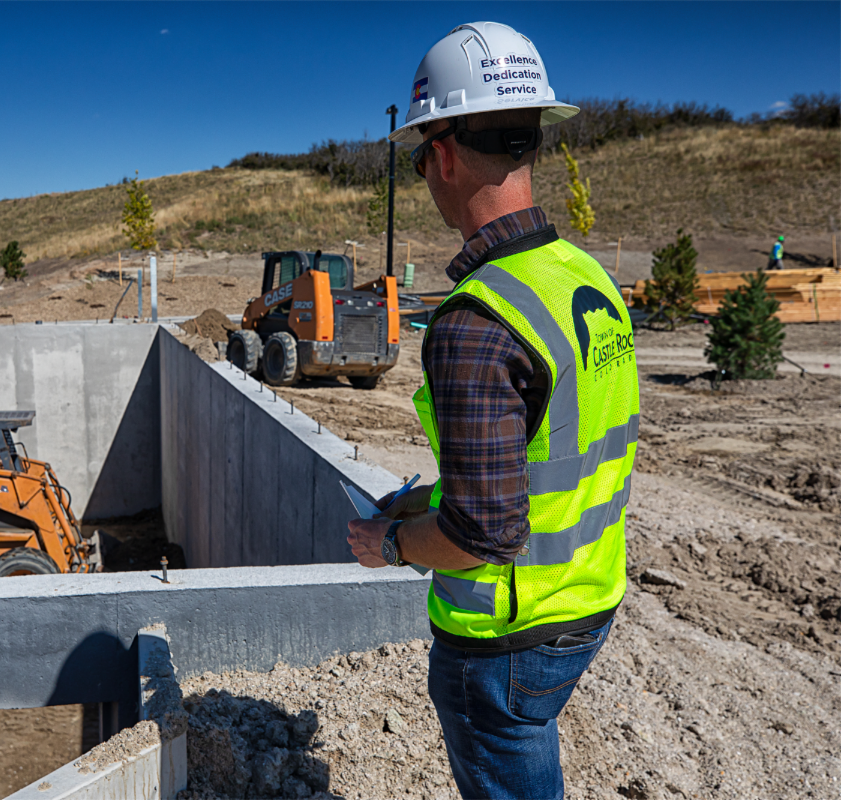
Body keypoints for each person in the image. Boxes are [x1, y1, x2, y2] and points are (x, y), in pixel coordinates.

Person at [347, 21, 640, 800]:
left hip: (507, 636)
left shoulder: (477, 323)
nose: (425, 175)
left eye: (419, 160)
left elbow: (485, 534)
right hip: (590, 597)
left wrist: (394, 543)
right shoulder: (585, 278)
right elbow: (552, 453)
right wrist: (428, 499)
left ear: (442, 151)